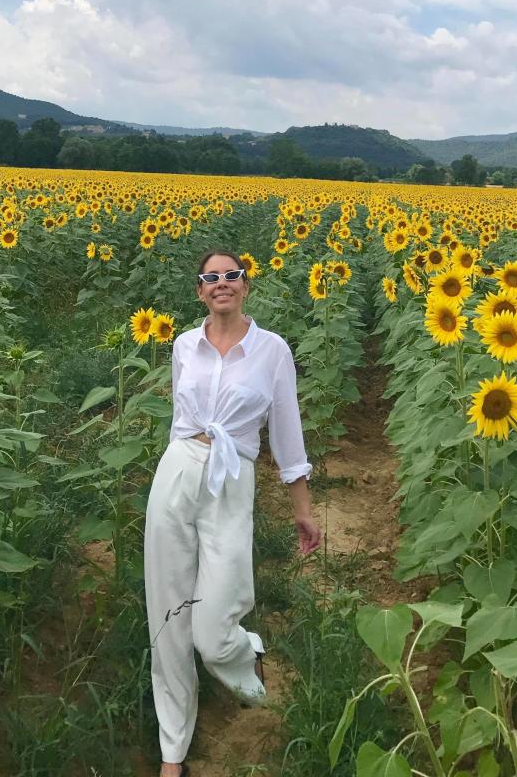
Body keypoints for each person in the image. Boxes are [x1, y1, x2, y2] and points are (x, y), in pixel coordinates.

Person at [144, 249, 322, 777]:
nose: (221, 283)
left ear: (246, 286)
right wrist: (184, 465)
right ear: (200, 291)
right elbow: (180, 419)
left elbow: (287, 436)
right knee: (168, 616)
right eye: (210, 278)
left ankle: (246, 655)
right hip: (178, 470)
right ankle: (172, 748)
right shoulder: (183, 346)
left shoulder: (272, 351)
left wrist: (303, 510)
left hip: (232, 477)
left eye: (231, 276)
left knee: (213, 625)